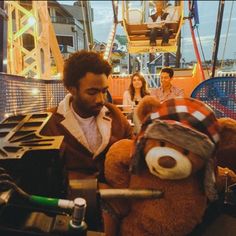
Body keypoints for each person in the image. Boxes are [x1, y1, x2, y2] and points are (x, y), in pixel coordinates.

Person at [41, 50, 133, 183]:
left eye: (104, 91)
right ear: (71, 89)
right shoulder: (49, 123)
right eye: (92, 92)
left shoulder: (115, 116)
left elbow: (134, 156)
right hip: (68, 202)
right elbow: (43, 174)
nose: (100, 100)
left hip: (115, 200)